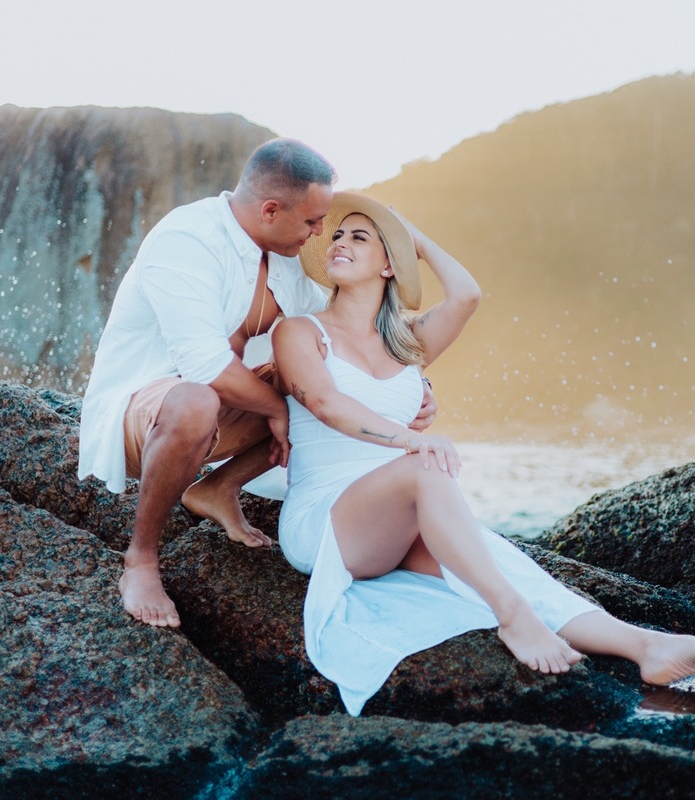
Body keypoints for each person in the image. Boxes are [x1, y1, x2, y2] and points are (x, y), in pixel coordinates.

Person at [272, 192, 695, 715]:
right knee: (427, 472)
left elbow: (466, 295)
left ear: (389, 265)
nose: (339, 242)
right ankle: (513, 617)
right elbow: (325, 403)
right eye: (337, 235)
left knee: (501, 561)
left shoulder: (407, 341)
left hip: (391, 519)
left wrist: (413, 240)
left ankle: (645, 647)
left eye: (360, 237)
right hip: (326, 521)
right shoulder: (301, 331)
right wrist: (410, 439)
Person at [77, 139, 436, 628]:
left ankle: (217, 488)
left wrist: (414, 386)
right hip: (145, 415)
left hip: (221, 415)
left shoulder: (283, 258)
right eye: (312, 221)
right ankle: (140, 560)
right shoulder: (187, 239)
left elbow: (341, 335)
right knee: (197, 401)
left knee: (310, 369)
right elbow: (204, 366)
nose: (319, 234)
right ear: (270, 210)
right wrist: (277, 408)